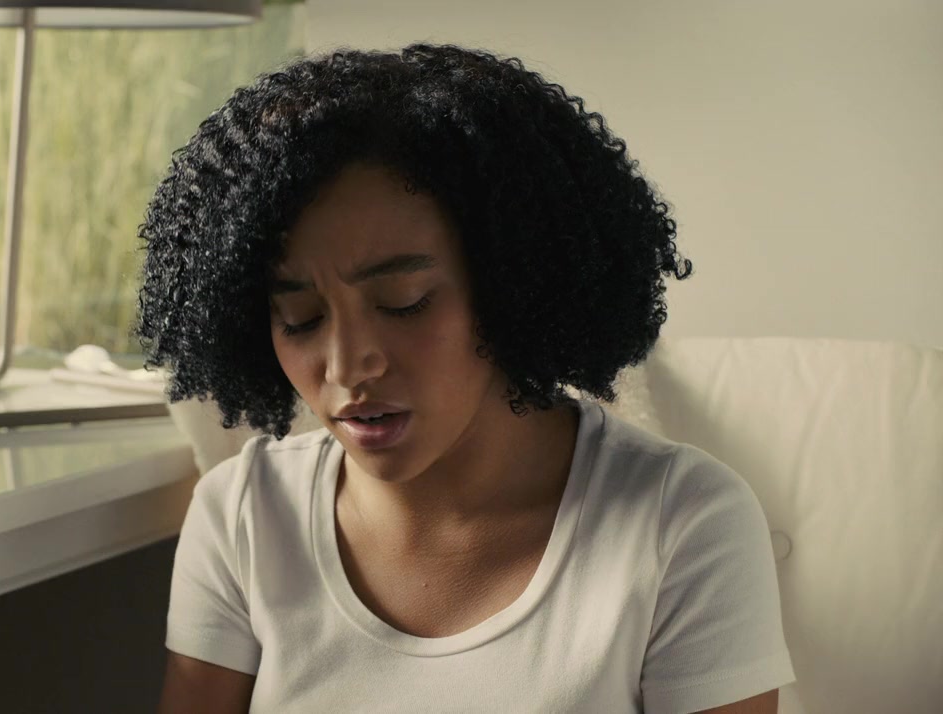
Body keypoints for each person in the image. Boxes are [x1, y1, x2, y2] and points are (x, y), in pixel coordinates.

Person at [138, 43, 794, 713]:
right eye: (300, 318)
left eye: (404, 302)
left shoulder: (682, 524)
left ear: (514, 285)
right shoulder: (245, 516)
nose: (347, 365)